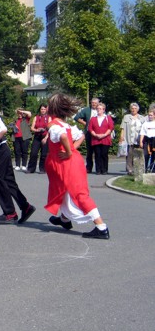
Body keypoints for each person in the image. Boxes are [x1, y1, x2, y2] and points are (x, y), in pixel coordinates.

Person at [45, 93, 110, 240]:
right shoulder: (65, 124)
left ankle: (101, 227)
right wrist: (72, 150)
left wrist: (68, 151)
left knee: (79, 194)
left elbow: (61, 136)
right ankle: (64, 219)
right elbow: (80, 135)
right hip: (71, 162)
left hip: (67, 165)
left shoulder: (55, 126)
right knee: (64, 190)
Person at [0, 89, 36, 225]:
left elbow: (3, 129)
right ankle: (25, 206)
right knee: (8, 181)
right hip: (2, 150)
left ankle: (10, 212)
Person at [74, 97, 99, 173]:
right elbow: (77, 117)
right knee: (89, 152)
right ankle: (88, 167)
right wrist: (85, 123)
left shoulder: (100, 110)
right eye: (92, 103)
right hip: (89, 133)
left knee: (98, 152)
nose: (94, 104)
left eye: (95, 103)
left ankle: (99, 168)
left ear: (98, 104)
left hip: (98, 133)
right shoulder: (87, 110)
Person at [88, 102, 114, 175]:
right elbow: (90, 128)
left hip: (105, 139)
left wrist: (104, 135)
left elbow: (110, 127)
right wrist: (95, 135)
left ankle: (104, 169)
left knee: (104, 154)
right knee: (97, 154)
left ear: (103, 110)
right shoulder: (93, 119)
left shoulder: (107, 118)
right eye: (98, 109)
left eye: (100, 109)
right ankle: (98, 170)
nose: (99, 110)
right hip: (96, 139)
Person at [119, 102, 144, 175]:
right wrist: (121, 137)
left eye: (135, 108)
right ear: (130, 109)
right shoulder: (126, 117)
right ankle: (129, 170)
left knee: (138, 155)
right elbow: (122, 128)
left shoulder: (141, 118)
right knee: (129, 155)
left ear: (138, 109)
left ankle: (137, 170)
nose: (133, 110)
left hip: (138, 139)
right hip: (129, 139)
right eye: (132, 108)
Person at [26, 104, 51, 174]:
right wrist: (37, 130)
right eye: (41, 109)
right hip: (37, 136)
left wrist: (46, 138)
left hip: (45, 136)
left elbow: (50, 129)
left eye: (44, 109)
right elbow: (32, 127)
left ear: (46, 110)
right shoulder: (36, 117)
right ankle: (31, 168)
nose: (43, 110)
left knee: (44, 154)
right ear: (40, 110)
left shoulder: (49, 118)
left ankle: (43, 169)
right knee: (33, 153)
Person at [139, 107, 155, 172]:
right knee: (146, 155)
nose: (150, 116)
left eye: (151, 115)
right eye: (149, 115)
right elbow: (142, 133)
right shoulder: (145, 124)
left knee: (154, 156)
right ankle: (145, 169)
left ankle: (153, 169)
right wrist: (140, 142)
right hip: (147, 140)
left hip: (154, 140)